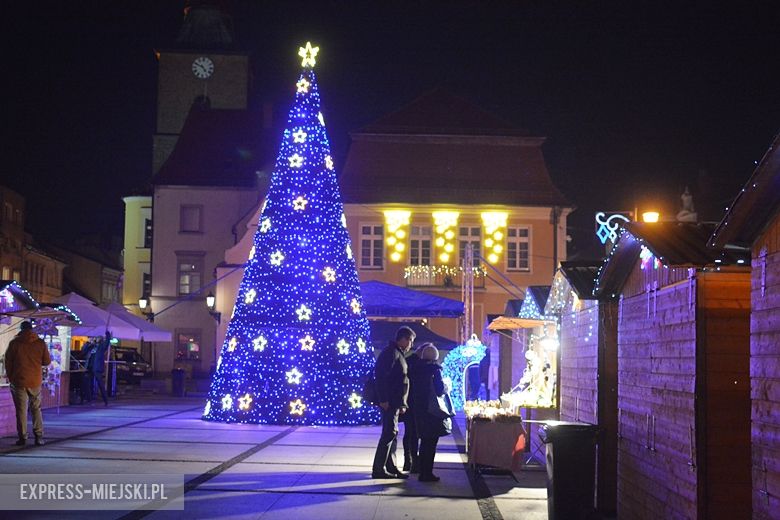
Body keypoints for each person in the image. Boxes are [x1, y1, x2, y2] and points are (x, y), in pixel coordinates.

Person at [371, 326, 415, 479]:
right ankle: (378, 469)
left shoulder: (397, 353)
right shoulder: (391, 353)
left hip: (394, 402)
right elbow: (381, 377)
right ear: (403, 339)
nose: (411, 344)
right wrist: (383, 399)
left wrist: (402, 403)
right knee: (389, 433)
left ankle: (391, 466)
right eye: (410, 340)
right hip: (389, 402)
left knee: (393, 434)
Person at [5, 321, 51, 446]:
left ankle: (23, 437)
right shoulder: (40, 343)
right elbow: (46, 361)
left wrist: (11, 377)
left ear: (21, 330)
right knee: (36, 409)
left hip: (18, 381)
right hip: (35, 380)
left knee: (21, 410)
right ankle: (39, 436)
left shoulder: (14, 343)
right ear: (32, 330)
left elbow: (7, 362)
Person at [410, 343, 452, 482]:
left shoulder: (415, 369)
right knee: (431, 443)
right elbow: (439, 390)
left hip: (419, 409)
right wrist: (446, 387)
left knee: (424, 442)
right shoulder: (434, 370)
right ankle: (427, 473)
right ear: (435, 357)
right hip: (432, 411)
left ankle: (422, 470)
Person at [401, 344, 421, 473]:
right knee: (415, 433)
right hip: (416, 404)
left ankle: (408, 461)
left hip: (407, 402)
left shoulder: (407, 361)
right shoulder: (423, 365)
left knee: (409, 432)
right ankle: (414, 462)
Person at [87, 335, 110, 406]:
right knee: (88, 383)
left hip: (97, 368)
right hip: (90, 367)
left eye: (97, 338)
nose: (96, 339)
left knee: (100, 384)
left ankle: (105, 400)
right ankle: (89, 399)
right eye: (95, 338)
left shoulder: (101, 346)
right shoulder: (92, 346)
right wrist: (88, 343)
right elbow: (84, 351)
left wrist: (108, 335)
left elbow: (107, 343)